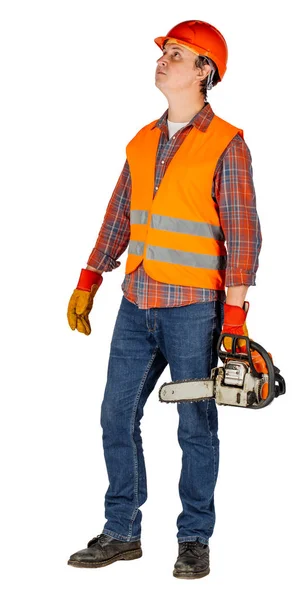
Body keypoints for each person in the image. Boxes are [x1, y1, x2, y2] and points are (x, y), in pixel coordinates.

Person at [67, 19, 262, 579]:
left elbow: (244, 235)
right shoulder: (141, 140)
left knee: (196, 426)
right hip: (137, 302)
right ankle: (122, 530)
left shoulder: (227, 143)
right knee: (115, 415)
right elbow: (119, 216)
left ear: (206, 71)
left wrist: (233, 317)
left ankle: (194, 538)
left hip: (195, 310)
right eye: (165, 52)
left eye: (179, 54)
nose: (164, 59)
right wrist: (90, 277)